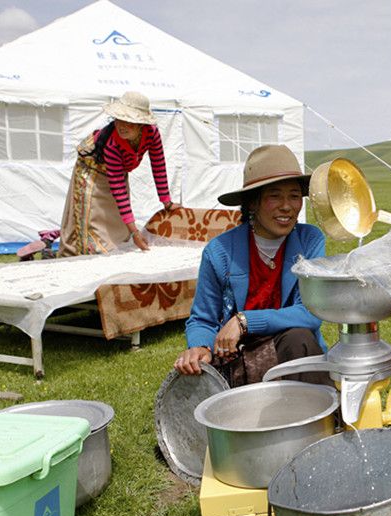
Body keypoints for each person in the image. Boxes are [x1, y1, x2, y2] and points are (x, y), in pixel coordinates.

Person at [174, 144, 331, 388]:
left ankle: (317, 413)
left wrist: (244, 321)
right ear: (252, 204)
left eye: (294, 195)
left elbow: (311, 312)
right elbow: (202, 319)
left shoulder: (309, 240)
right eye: (275, 196)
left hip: (291, 355)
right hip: (235, 360)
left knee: (299, 337)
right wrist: (200, 346)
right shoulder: (220, 251)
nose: (287, 206)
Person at [58, 91, 181, 257]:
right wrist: (135, 232)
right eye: (119, 119)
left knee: (118, 226)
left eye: (128, 122)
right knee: (93, 221)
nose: (121, 126)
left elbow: (158, 165)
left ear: (141, 124)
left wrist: (167, 202)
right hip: (91, 172)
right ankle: (86, 255)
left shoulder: (152, 134)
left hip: (117, 171)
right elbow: (119, 191)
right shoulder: (112, 144)